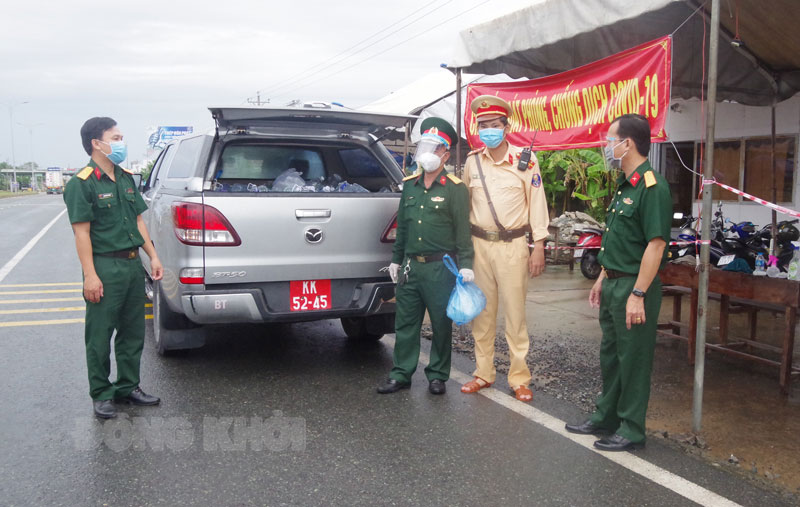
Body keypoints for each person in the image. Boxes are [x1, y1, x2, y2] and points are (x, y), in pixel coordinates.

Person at [565, 114, 672, 451]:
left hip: (633, 287)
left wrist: (638, 293)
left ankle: (632, 428)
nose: (608, 145)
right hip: (614, 283)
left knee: (633, 359)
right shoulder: (626, 185)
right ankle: (606, 416)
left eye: (612, 139)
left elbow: (656, 245)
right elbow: (619, 242)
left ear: (628, 143)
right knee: (610, 356)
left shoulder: (652, 187)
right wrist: (601, 277)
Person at [64, 117, 164, 419]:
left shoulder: (125, 177)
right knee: (99, 335)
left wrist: (153, 256)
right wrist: (90, 275)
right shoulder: (81, 183)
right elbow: (81, 233)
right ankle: (101, 393)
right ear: (97, 143)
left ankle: (127, 387)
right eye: (116, 137)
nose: (121, 142)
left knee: (133, 332)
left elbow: (137, 221)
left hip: (133, 265)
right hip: (104, 267)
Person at [460, 95, 549, 403]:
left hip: (513, 247)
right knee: (482, 313)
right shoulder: (472, 162)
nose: (488, 131)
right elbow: (464, 206)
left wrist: (539, 245)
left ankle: (519, 378)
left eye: (494, 125)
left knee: (515, 315)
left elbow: (537, 204)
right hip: (479, 246)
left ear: (506, 127)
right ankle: (483, 373)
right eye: (483, 125)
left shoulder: (526, 160)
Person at [377, 117, 474, 395]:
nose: (427, 153)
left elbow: (462, 231)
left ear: (445, 153)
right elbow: (403, 227)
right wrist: (396, 259)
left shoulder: (454, 188)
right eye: (425, 146)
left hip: (440, 269)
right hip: (411, 268)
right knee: (406, 322)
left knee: (442, 324)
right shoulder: (409, 184)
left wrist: (466, 266)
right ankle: (401, 374)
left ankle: (438, 375)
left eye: (434, 148)